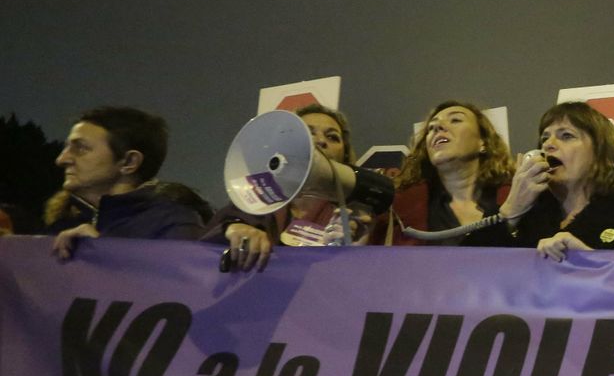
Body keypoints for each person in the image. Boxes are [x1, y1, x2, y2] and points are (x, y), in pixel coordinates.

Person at [209, 103, 395, 270]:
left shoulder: (353, 216)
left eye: (332, 137)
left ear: (345, 157)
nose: (320, 141)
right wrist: (233, 228)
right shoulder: (255, 203)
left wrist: (352, 254)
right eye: (308, 133)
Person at [502, 102, 614, 261]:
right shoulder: (526, 219)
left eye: (566, 136)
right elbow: (480, 274)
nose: (548, 145)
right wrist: (511, 210)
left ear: (601, 154)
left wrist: (588, 259)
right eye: (544, 138)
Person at [45, 106, 204, 258]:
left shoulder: (174, 223)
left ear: (129, 162)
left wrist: (105, 253)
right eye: (66, 148)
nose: (61, 159)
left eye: (81, 148)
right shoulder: (63, 226)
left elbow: (181, 284)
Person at [372, 101, 517, 246]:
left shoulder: (517, 198)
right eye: (431, 127)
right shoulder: (396, 210)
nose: (437, 127)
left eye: (455, 120)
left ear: (483, 142)